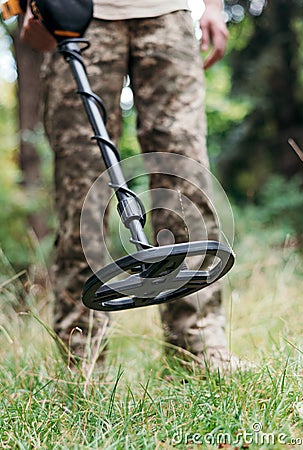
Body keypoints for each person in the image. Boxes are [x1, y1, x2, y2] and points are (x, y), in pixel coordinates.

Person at [21, 0, 241, 371]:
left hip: (168, 13)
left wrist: (214, 7)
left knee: (185, 179)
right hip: (79, 14)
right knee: (81, 192)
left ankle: (199, 348)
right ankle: (82, 358)